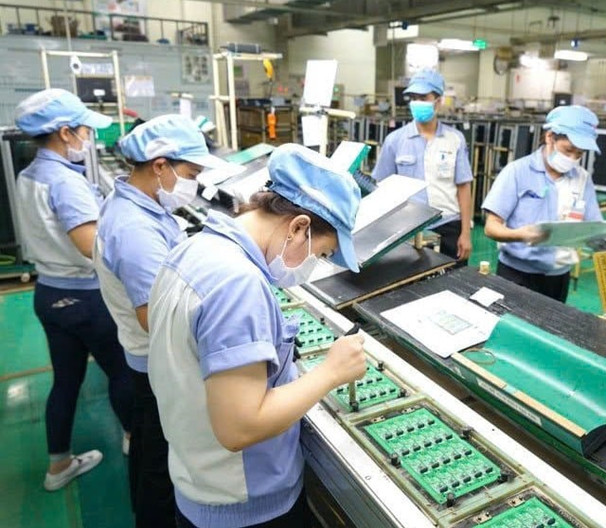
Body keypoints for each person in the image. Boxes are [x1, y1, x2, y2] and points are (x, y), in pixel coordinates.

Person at [147, 143, 367, 528]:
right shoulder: (237, 284)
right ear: (299, 226)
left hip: (197, 479)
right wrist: (331, 372)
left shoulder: (197, 248)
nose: (315, 265)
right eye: (324, 253)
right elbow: (240, 427)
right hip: (242, 507)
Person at [93, 114, 241, 527]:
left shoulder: (141, 207)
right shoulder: (135, 229)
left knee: (147, 445)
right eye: (191, 173)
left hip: (140, 361)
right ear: (160, 165)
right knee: (162, 461)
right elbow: (154, 318)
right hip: (151, 363)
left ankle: (144, 510)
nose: (193, 184)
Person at [14, 88, 133, 491]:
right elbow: (91, 247)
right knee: (121, 370)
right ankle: (136, 440)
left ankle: (58, 466)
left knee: (66, 381)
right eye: (84, 129)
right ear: (65, 133)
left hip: (49, 294)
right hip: (85, 297)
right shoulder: (64, 181)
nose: (89, 137)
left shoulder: (28, 174)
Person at [482, 105, 603, 303]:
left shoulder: (582, 179)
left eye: (579, 154)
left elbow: (596, 229)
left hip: (558, 278)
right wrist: (520, 235)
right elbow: (491, 226)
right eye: (568, 150)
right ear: (550, 137)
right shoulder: (517, 172)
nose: (572, 158)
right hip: (516, 275)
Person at [371, 69, 473, 263]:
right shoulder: (395, 140)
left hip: (449, 225)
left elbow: (464, 187)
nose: (417, 102)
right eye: (414, 97)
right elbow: (381, 189)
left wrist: (466, 233)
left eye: (423, 97)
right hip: (407, 228)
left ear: (438, 100)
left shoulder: (455, 139)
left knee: (451, 285)